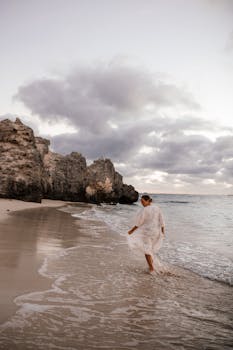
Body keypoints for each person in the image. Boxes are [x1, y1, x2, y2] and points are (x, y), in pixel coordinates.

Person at [128, 194, 165, 274]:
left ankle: (151, 269)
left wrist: (131, 230)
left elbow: (139, 222)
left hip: (147, 233)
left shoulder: (145, 210)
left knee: (146, 250)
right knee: (150, 249)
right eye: (141, 202)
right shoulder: (157, 208)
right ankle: (152, 266)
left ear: (148, 201)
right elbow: (162, 220)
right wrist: (162, 232)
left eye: (143, 201)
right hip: (156, 232)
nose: (142, 203)